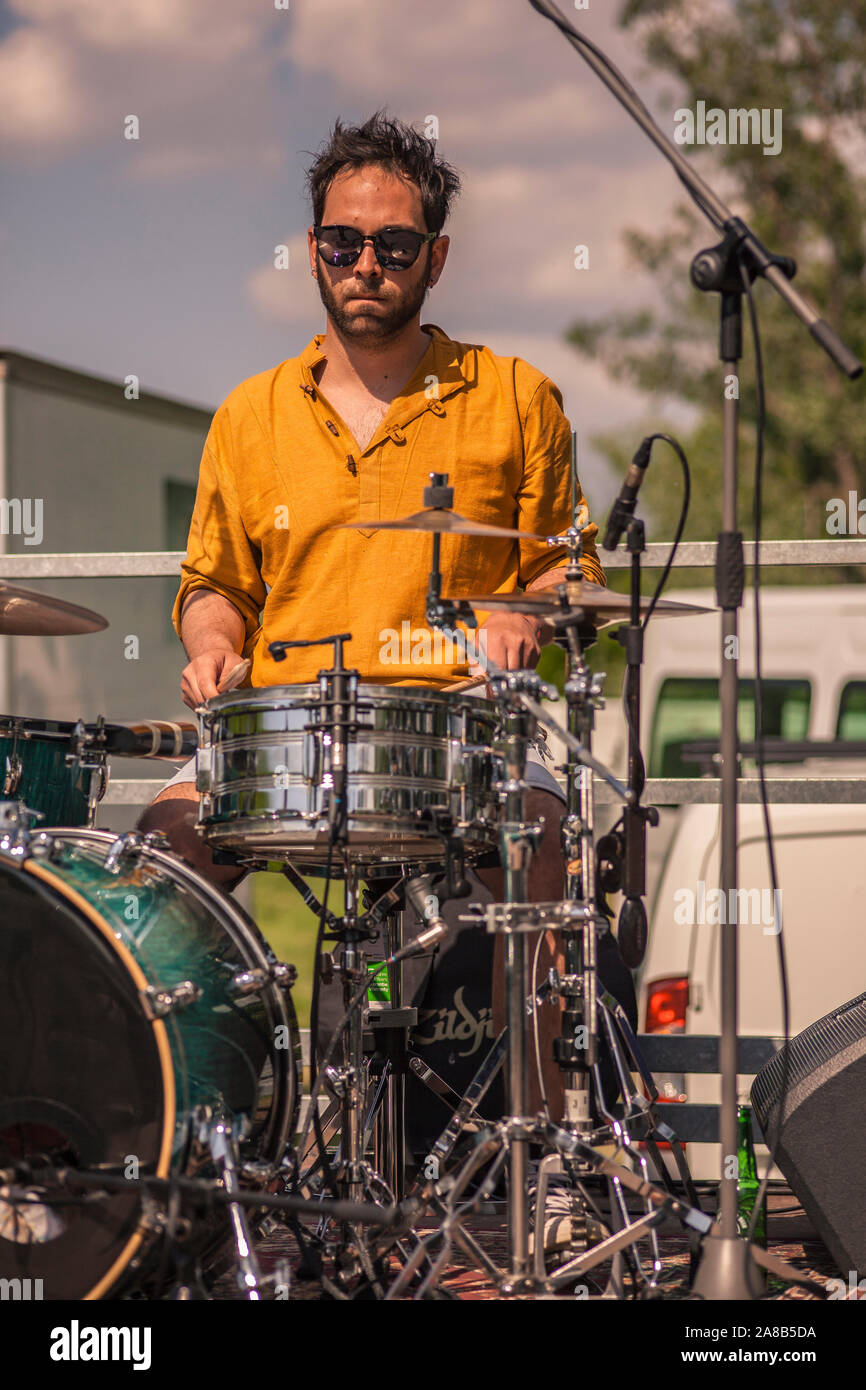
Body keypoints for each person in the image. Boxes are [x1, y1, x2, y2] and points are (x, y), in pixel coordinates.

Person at [137, 111, 635, 1121]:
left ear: (434, 258)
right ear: (313, 249)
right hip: (284, 732)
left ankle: (533, 1153)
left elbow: (567, 570)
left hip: (461, 730)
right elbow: (211, 584)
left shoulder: (513, 395)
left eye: (393, 245)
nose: (365, 263)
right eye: (341, 242)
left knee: (537, 833)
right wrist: (213, 647)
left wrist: (520, 617)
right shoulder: (249, 413)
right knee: (151, 868)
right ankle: (197, 1141)